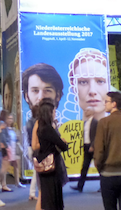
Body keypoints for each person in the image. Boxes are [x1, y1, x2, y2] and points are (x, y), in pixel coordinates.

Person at [21, 63, 64, 200]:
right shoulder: (37, 123)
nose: (41, 97)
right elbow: (35, 145)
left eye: (47, 90)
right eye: (35, 90)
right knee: (45, 194)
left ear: (58, 95)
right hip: (43, 158)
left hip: (46, 160)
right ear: (26, 96)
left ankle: (33, 193)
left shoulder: (49, 123)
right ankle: (33, 193)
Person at [34, 98, 69, 210]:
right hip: (52, 168)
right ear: (49, 112)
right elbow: (63, 147)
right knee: (53, 200)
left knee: (46, 198)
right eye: (53, 111)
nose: (55, 113)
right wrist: (62, 142)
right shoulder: (48, 129)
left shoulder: (40, 127)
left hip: (43, 165)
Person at [68, 48, 110, 122]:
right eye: (83, 82)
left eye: (100, 81)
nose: (92, 91)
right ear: (73, 88)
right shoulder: (63, 131)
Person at [71, 109, 98, 193]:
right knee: (84, 167)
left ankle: (104, 185)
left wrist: (93, 145)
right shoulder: (85, 122)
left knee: (99, 166)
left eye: (87, 110)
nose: (86, 112)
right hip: (86, 146)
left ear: (92, 112)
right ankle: (80, 186)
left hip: (93, 147)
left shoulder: (95, 122)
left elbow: (97, 135)